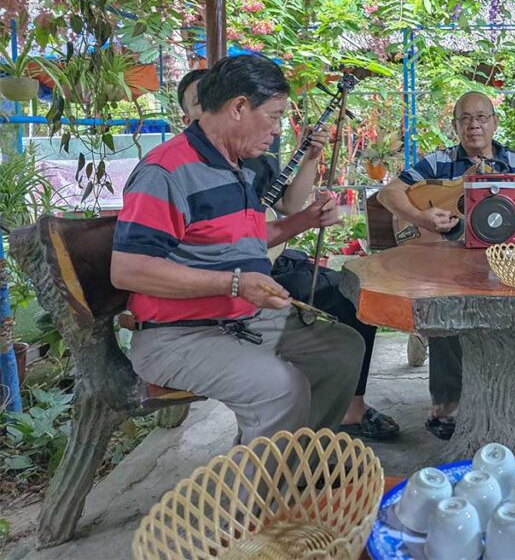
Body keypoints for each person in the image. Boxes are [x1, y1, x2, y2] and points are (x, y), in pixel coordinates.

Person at [113, 55, 366, 445]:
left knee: (342, 348)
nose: (278, 131)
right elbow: (129, 269)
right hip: (177, 336)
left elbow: (243, 241)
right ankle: (249, 500)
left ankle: (295, 464)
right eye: (275, 116)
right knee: (281, 388)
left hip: (239, 320)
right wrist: (234, 284)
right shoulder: (166, 171)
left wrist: (306, 219)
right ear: (238, 108)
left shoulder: (238, 164)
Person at [177, 69, 400, 440]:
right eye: (202, 102)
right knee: (311, 326)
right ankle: (285, 434)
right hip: (235, 282)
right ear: (191, 117)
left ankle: (350, 407)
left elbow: (289, 204)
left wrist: (311, 157)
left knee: (352, 291)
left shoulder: (255, 158)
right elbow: (212, 247)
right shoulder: (185, 169)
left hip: (274, 259)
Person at [378, 91, 515, 439]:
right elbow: (388, 193)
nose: (474, 125)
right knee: (447, 311)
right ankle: (447, 405)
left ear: (495, 122)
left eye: (482, 117)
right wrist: (422, 217)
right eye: (465, 118)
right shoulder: (438, 163)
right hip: (451, 261)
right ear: (455, 126)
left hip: (511, 265)